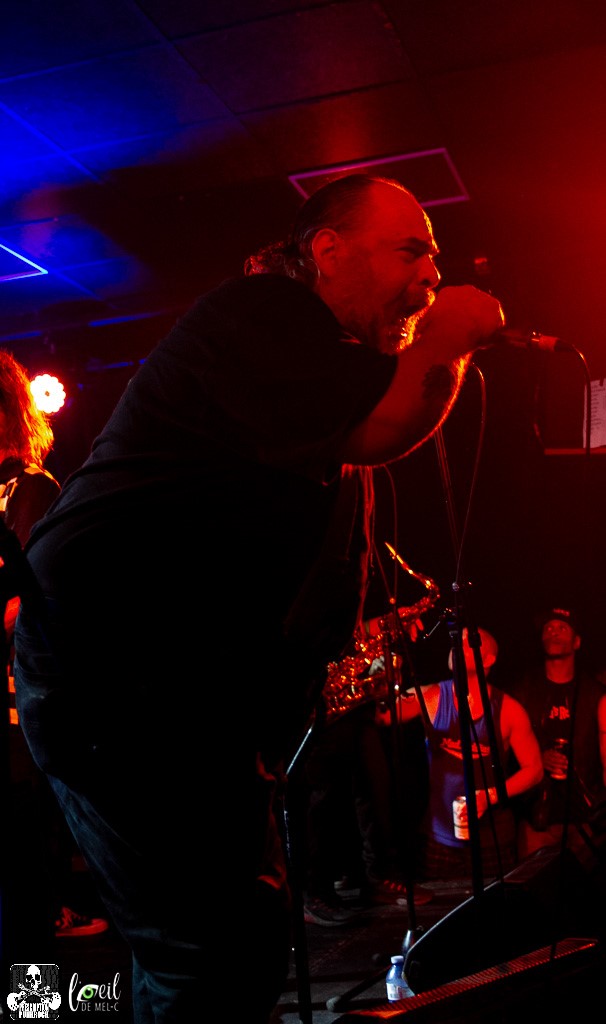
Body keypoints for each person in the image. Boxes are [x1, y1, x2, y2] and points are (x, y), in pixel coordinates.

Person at [12, 173, 505, 1023]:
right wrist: (454, 327)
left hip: (176, 689)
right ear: (327, 250)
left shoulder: (314, 363)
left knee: (236, 937)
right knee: (207, 951)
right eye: (411, 250)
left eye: (436, 258)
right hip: (111, 673)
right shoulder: (261, 314)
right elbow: (388, 422)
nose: (431, 274)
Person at [0, 349, 108, 961]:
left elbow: (32, 596)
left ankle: (33, 999)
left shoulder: (32, 488)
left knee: (23, 877)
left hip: (20, 715)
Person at [386, 626, 543, 882]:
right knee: (441, 905)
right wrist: (384, 680)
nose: (456, 645)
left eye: (466, 642)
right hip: (439, 838)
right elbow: (383, 716)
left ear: (488, 659)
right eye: (454, 640)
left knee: (496, 905)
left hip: (493, 839)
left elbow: (534, 770)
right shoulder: (432, 697)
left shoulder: (509, 710)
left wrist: (489, 797)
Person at [510, 606, 606, 864]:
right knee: (533, 885)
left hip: (584, 819)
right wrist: (536, 757)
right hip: (536, 818)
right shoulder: (522, 691)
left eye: (562, 628)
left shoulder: (595, 694)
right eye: (548, 628)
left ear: (577, 642)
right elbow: (503, 748)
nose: (554, 632)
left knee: (585, 885)